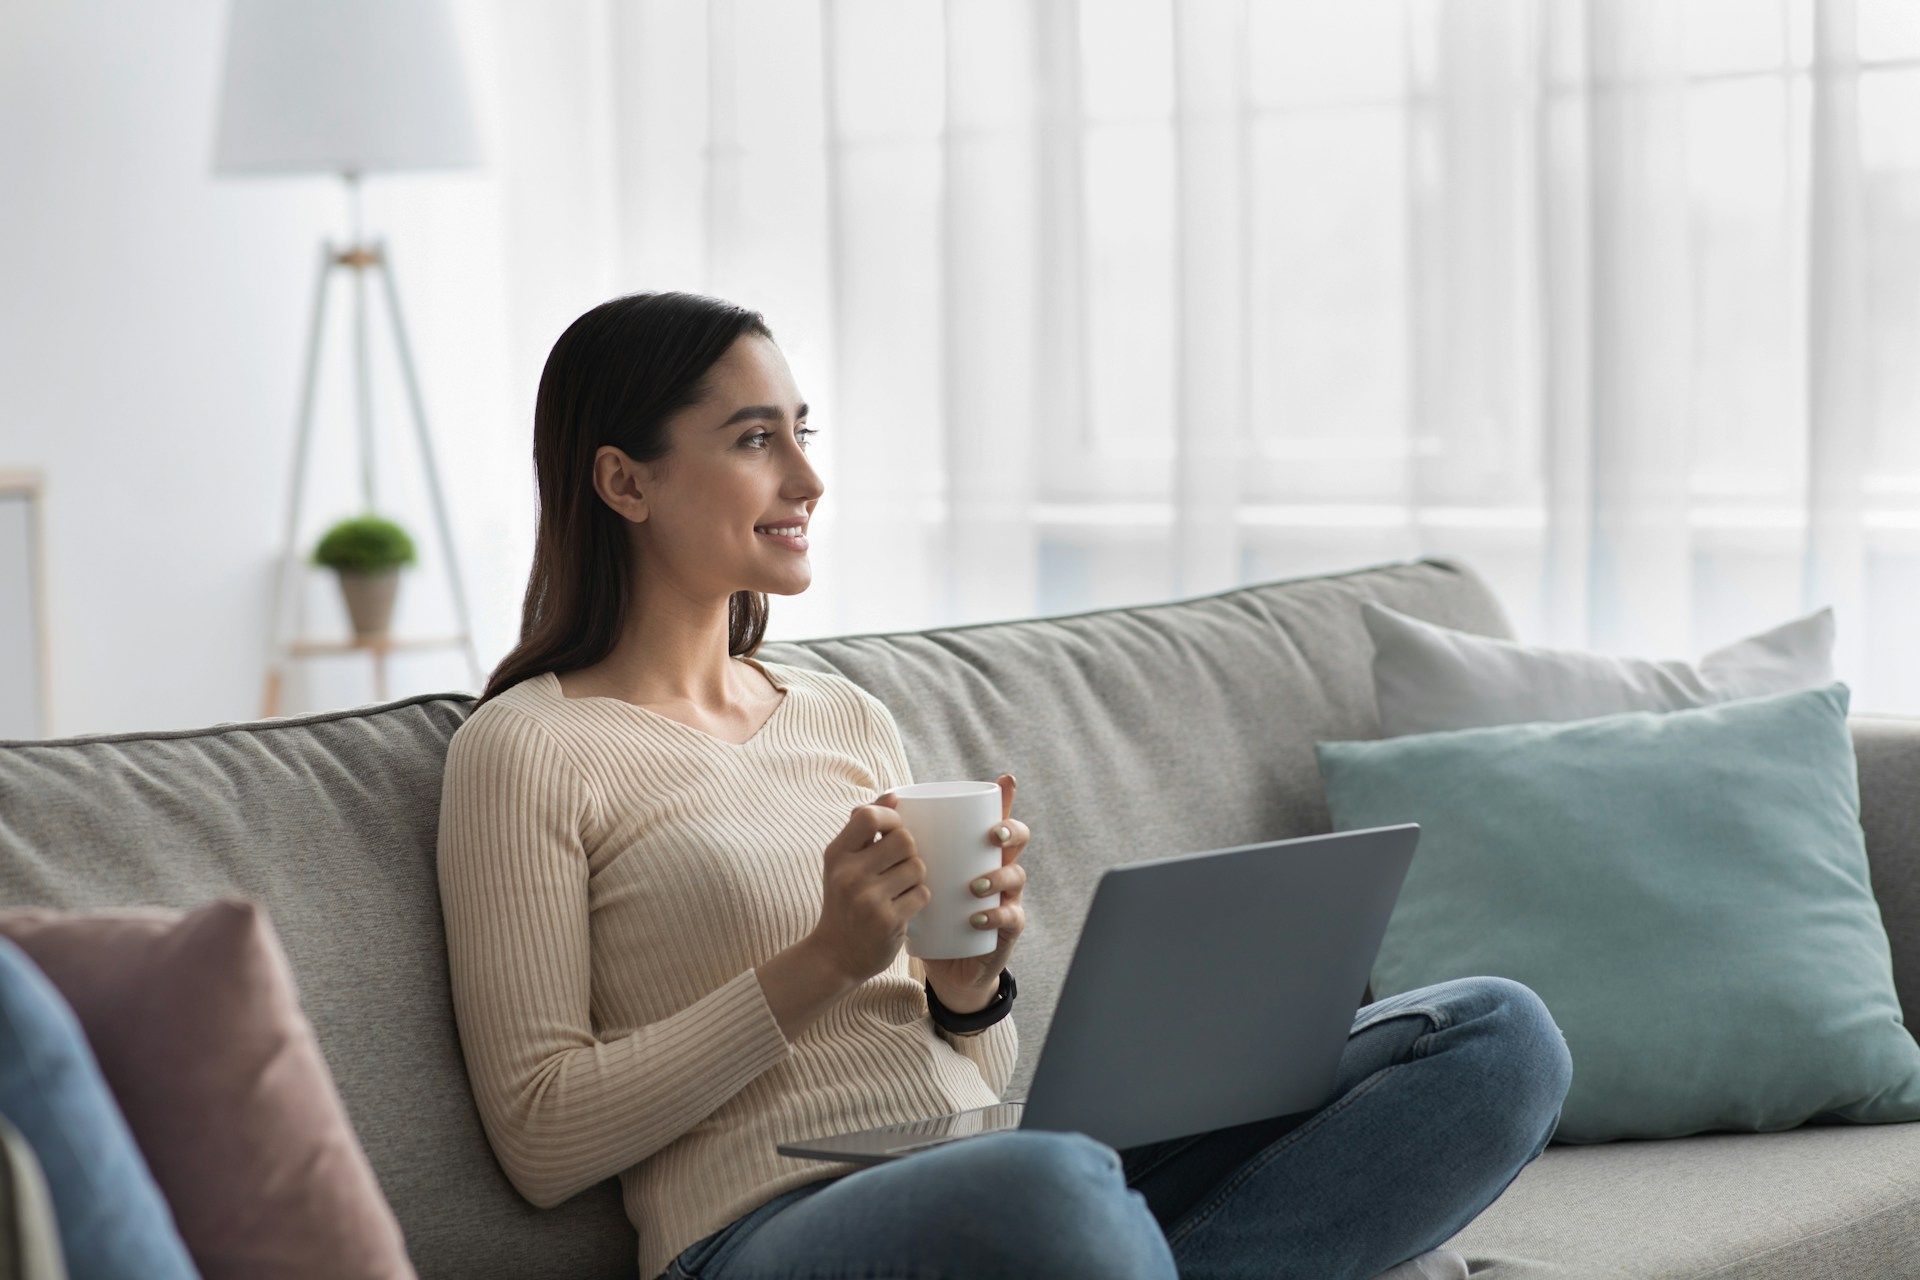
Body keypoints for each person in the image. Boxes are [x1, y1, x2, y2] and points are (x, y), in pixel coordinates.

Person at [436, 290, 1573, 1280]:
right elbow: (542, 1137)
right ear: (624, 481)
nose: (808, 477)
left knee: (1495, 1036)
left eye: (803, 431)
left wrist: (968, 988)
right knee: (1054, 1187)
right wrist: (820, 960)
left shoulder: (842, 712)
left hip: (1002, 1172)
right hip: (757, 1231)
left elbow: (973, 1073)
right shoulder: (530, 746)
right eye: (752, 439)